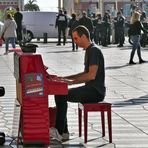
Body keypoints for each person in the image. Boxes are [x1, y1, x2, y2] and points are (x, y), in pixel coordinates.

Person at [50, 25, 106, 141]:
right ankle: (63, 132)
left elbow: (91, 75)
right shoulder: (89, 50)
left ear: (84, 36)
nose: (74, 41)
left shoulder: (94, 50)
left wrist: (70, 82)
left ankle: (59, 131)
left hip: (95, 91)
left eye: (76, 38)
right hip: (91, 89)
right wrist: (64, 78)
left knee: (61, 94)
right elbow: (84, 73)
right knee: (60, 93)